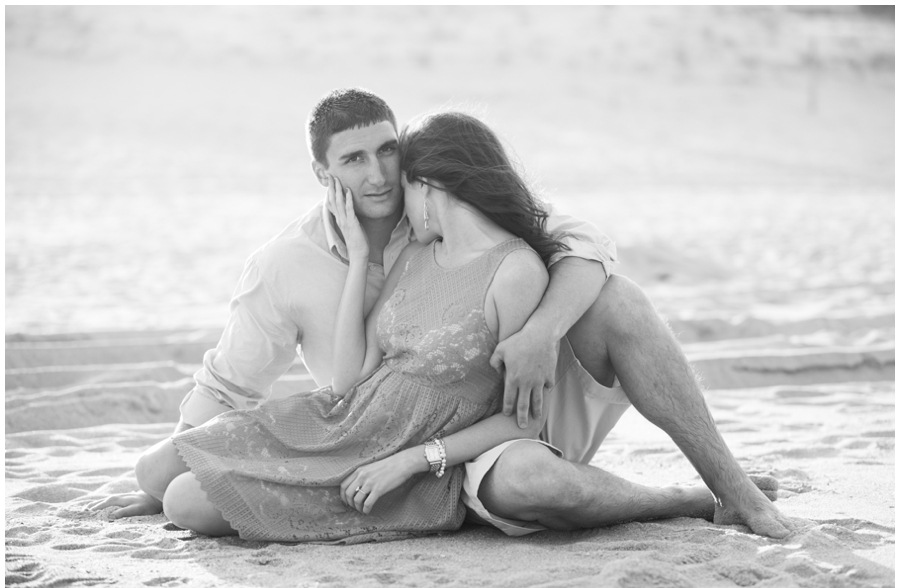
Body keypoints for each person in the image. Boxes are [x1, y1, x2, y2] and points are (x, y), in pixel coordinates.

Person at [90, 88, 792, 539]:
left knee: (615, 297)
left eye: (389, 151)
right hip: (357, 423)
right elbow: (243, 377)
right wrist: (362, 265)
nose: (379, 175)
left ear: (422, 169)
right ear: (323, 173)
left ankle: (720, 491)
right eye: (356, 160)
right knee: (160, 480)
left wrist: (542, 332)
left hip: (473, 434)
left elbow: (588, 246)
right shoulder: (301, 260)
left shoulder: (488, 243)